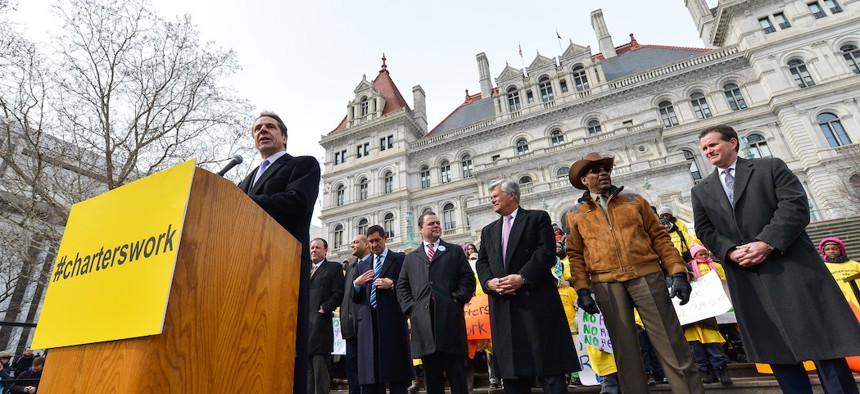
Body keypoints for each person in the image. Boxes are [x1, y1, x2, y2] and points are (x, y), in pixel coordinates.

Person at [691, 125, 860, 393]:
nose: (708, 151)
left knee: (823, 342)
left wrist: (766, 242)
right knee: (777, 349)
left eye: (713, 144)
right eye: (704, 148)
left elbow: (794, 205)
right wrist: (730, 251)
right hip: (748, 276)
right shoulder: (701, 190)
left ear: (732, 142)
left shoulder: (769, 167)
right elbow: (704, 229)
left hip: (792, 267)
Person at [564, 152, 703, 394]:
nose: (603, 172)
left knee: (672, 344)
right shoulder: (575, 213)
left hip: (647, 276)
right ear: (584, 180)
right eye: (595, 170)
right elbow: (575, 254)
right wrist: (582, 289)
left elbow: (660, 238)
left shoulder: (634, 200)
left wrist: (678, 271)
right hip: (606, 284)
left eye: (605, 168)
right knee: (625, 353)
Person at [237, 111, 320, 394]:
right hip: (244, 272)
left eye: (270, 127)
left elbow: (295, 203)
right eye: (257, 128)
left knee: (282, 347)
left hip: (282, 266)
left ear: (283, 137)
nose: (262, 131)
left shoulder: (302, 165)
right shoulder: (243, 183)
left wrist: (241, 203)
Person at [475, 179, 579, 394]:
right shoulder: (488, 230)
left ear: (511, 195)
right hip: (504, 304)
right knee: (513, 371)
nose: (491, 199)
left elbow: (545, 253)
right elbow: (482, 262)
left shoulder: (537, 218)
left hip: (536, 301)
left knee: (549, 366)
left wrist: (522, 277)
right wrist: (489, 282)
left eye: (495, 195)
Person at [397, 213, 475, 394]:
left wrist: (456, 299)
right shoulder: (411, 258)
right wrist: (412, 309)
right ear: (421, 229)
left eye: (438, 223)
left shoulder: (454, 251)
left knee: (457, 375)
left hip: (450, 321)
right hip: (424, 324)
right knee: (432, 379)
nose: (437, 226)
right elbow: (402, 287)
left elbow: (467, 279)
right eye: (431, 223)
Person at [352, 225, 412, 394]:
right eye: (370, 241)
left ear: (385, 239)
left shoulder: (399, 259)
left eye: (377, 240)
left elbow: (408, 286)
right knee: (371, 375)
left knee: (396, 374)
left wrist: (391, 284)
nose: (374, 244)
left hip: (391, 321)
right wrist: (356, 285)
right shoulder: (363, 265)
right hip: (368, 325)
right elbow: (355, 298)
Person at [684, 244, 732, 385]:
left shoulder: (711, 267)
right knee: (698, 352)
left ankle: (722, 371)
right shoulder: (685, 276)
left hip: (707, 318)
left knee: (714, 347)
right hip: (691, 321)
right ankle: (709, 373)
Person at [307, 238, 345, 394]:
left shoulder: (333, 268)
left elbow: (339, 292)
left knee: (320, 371)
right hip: (305, 327)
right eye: (312, 248)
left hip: (321, 326)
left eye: (317, 247)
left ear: (325, 250)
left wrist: (325, 308)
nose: (314, 250)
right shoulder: (305, 269)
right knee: (307, 374)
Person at [342, 235, 371, 394]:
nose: (352, 245)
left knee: (366, 369)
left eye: (355, 242)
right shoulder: (351, 268)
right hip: (349, 327)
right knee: (352, 369)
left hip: (364, 327)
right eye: (352, 242)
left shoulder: (373, 263)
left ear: (367, 244)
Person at [819, 237, 860, 307]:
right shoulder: (823, 267)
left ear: (841, 250)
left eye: (835, 249)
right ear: (824, 252)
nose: (831, 251)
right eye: (827, 249)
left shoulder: (855, 264)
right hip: (839, 299)